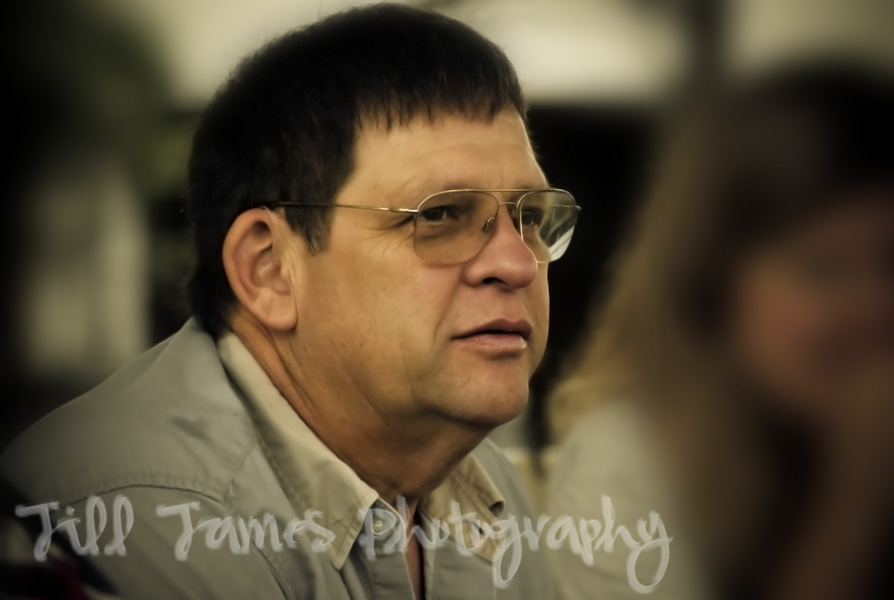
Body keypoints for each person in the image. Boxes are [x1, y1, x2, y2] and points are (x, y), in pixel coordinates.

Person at [0, 5, 580, 599]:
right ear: (270, 270)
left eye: (531, 217)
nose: (518, 264)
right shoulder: (139, 523)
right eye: (439, 215)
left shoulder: (474, 478)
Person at [546, 64, 894, 600]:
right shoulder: (626, 462)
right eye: (825, 268)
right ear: (708, 292)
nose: (877, 306)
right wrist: (854, 508)